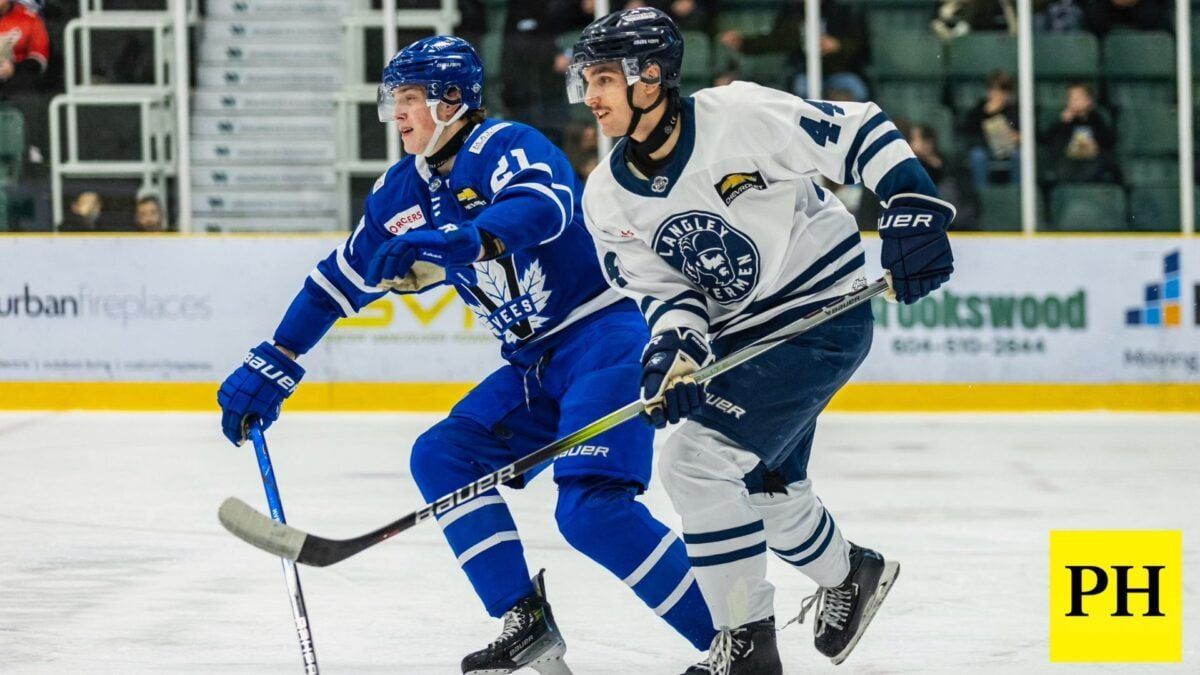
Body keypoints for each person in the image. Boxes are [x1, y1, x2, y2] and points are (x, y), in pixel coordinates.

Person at [216, 36, 715, 674]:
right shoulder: (400, 193)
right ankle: (523, 616)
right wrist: (279, 354)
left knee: (591, 509)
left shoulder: (506, 146)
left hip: (605, 336)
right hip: (532, 365)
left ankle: (734, 644)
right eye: (392, 100)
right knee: (443, 454)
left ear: (453, 100)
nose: (396, 114)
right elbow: (337, 281)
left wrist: (462, 239)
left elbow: (545, 205)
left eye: (409, 99)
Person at [568, 8, 954, 673]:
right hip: (743, 337)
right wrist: (675, 350)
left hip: (819, 313)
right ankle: (850, 574)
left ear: (651, 75)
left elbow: (857, 131)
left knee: (694, 463)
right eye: (587, 80)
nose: (590, 96)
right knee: (768, 490)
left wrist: (910, 198)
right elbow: (666, 293)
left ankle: (745, 645)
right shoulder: (606, 197)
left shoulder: (736, 117)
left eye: (603, 79)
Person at [718, 0, 869, 102]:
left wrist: (838, 45)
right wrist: (744, 43)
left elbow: (859, 42)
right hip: (803, 73)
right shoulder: (793, 13)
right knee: (802, 92)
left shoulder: (843, 10)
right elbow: (776, 40)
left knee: (856, 89)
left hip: (841, 71)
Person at [1042, 82, 1117, 184]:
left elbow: (1108, 140)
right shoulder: (1062, 122)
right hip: (1068, 160)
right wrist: (1063, 123)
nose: (1073, 102)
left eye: (1077, 98)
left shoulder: (1097, 119)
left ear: (1089, 101)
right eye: (1070, 99)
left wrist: (1096, 146)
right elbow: (1048, 140)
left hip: (1092, 160)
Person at [963, 69, 1020, 186]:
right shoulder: (979, 110)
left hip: (1011, 150)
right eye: (994, 91)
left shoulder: (1015, 109)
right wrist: (987, 113)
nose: (998, 95)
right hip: (986, 149)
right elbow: (968, 131)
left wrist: (1018, 137)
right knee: (977, 155)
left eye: (1002, 91)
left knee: (1019, 156)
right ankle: (981, 195)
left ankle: (1018, 194)